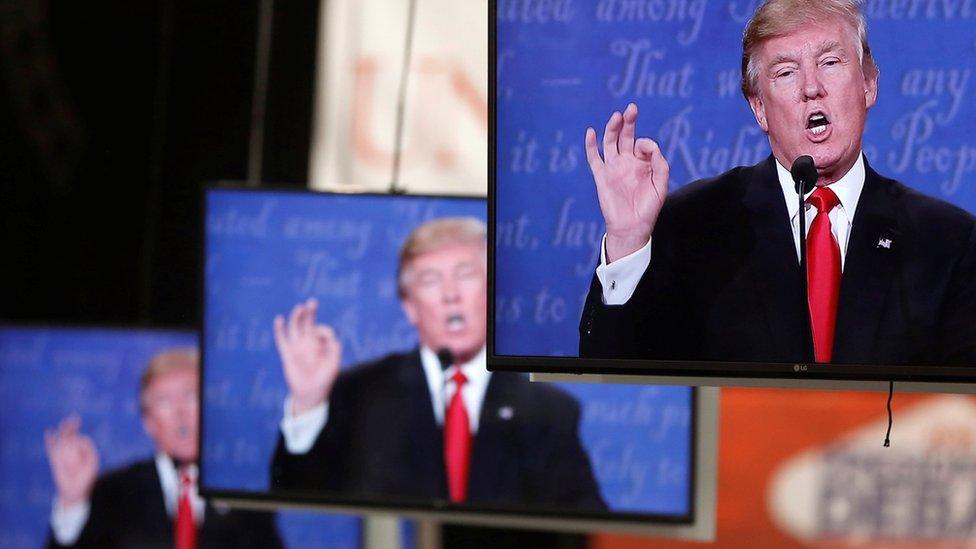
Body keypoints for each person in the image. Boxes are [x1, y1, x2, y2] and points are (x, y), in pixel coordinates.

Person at [580, 0, 976, 365]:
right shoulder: (693, 226)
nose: (810, 87)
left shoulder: (946, 241)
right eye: (786, 72)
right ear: (760, 109)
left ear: (869, 84)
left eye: (830, 62)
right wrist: (628, 243)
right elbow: (615, 371)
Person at [270, 217, 605, 509]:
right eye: (431, 281)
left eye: (465, 275)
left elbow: (586, 523)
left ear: (492, 291)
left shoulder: (548, 412)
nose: (450, 294)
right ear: (410, 307)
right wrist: (309, 403)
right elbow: (298, 503)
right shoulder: (359, 395)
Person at [44, 348, 282, 549]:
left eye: (190, 395)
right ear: (148, 422)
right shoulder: (114, 492)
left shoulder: (241, 492)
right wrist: (73, 501)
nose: (180, 411)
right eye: (164, 401)